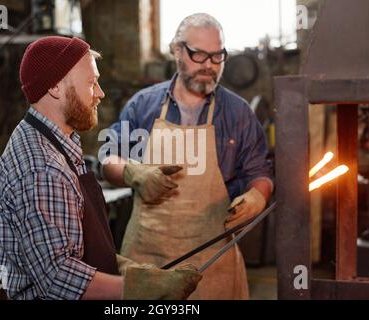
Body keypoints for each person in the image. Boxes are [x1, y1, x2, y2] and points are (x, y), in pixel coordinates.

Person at [0, 36, 202, 300]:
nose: (100, 93)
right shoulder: (41, 168)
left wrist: (127, 269)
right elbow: (57, 277)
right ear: (56, 87)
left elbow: (71, 243)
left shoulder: (54, 141)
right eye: (91, 83)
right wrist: (135, 289)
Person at [102, 13, 273, 299]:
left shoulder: (238, 113)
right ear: (177, 50)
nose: (208, 65)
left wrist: (258, 197)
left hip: (213, 261)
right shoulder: (143, 105)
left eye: (217, 56)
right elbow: (109, 159)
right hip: (150, 262)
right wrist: (133, 172)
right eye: (199, 55)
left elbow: (260, 173)